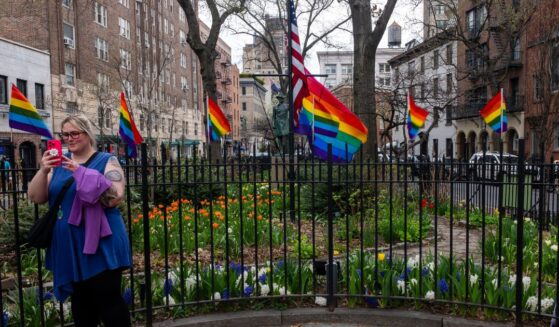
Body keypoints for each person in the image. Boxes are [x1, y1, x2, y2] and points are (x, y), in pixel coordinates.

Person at [28, 115, 131, 327]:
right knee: (81, 307)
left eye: (75, 133)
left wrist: (82, 174)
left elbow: (115, 196)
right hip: (70, 246)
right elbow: (36, 197)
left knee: (109, 304)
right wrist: (44, 169)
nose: (69, 138)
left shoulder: (106, 161)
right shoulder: (59, 164)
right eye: (65, 134)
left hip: (102, 244)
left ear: (87, 133)